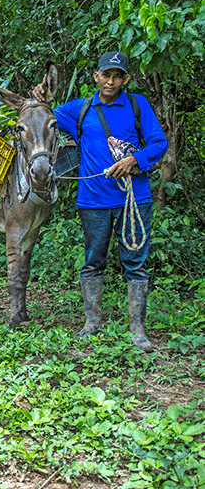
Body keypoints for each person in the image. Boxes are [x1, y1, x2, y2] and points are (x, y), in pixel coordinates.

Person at [38, 51, 167, 352]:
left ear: (125, 79)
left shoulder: (137, 106)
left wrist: (136, 158)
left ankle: (137, 329)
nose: (111, 81)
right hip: (92, 201)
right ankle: (91, 324)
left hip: (135, 199)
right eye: (105, 75)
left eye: (117, 76)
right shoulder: (79, 110)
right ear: (96, 77)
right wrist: (40, 99)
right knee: (93, 261)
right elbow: (43, 119)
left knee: (135, 262)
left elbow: (159, 143)